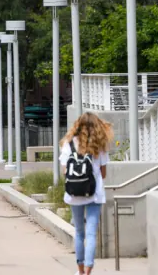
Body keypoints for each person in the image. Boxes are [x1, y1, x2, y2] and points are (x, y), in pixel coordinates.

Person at [60, 112, 112, 275]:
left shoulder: (69, 144)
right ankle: (89, 271)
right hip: (94, 194)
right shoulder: (99, 145)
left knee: (79, 232)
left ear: (78, 125)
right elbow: (103, 174)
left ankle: (80, 270)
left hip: (74, 194)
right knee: (90, 233)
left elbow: (65, 171)